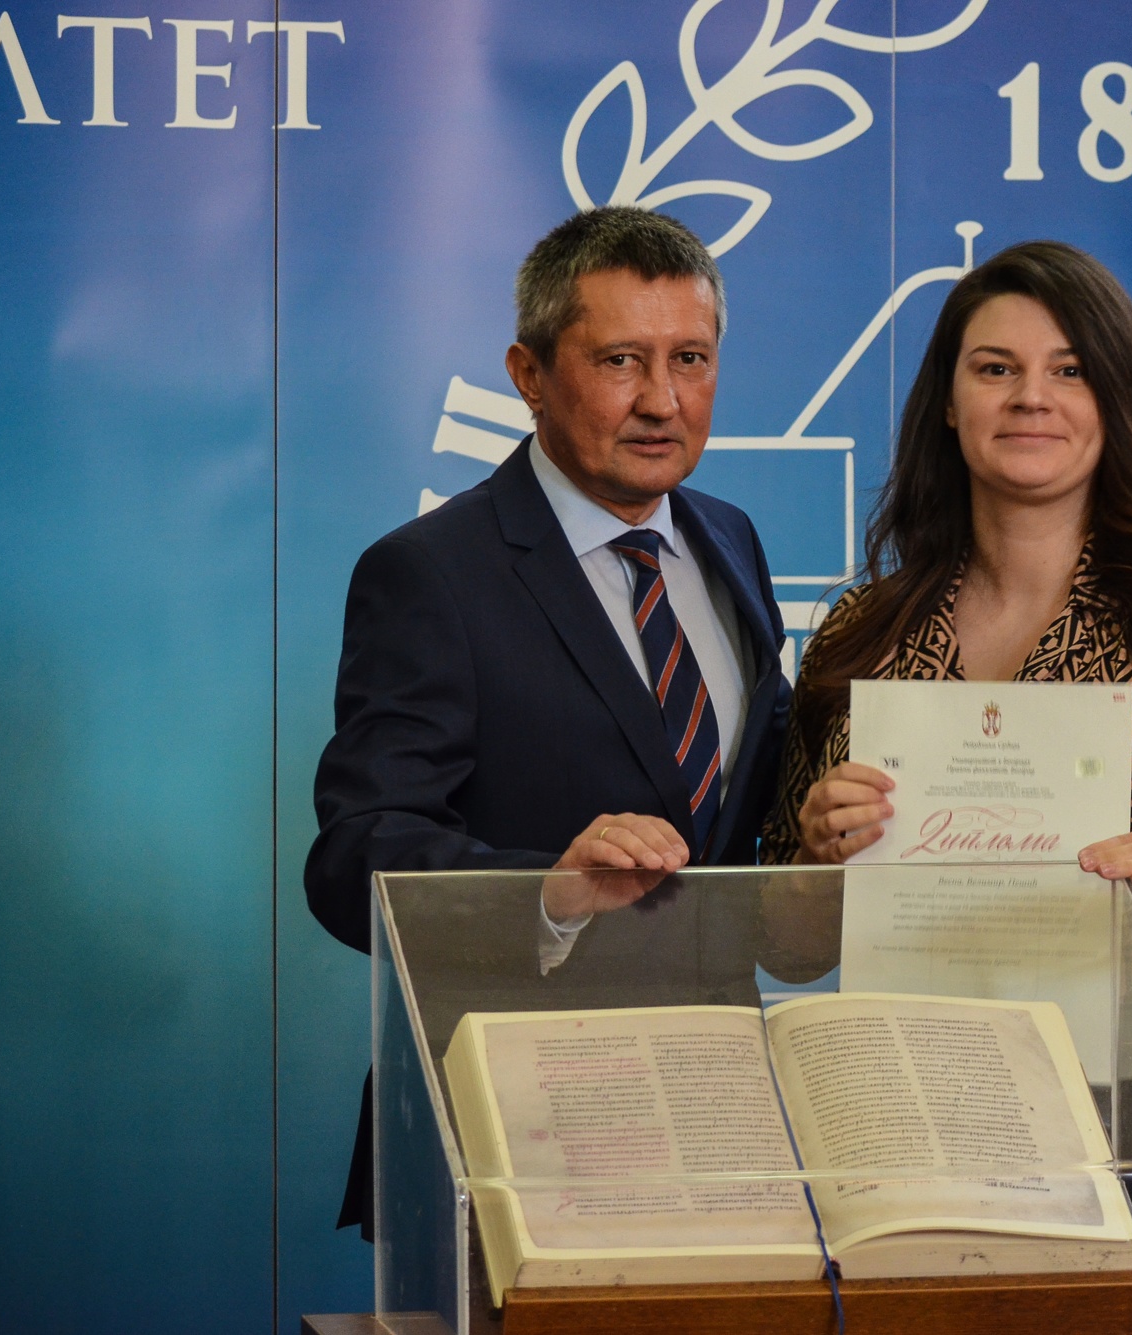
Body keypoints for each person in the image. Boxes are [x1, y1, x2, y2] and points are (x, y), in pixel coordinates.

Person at [760, 240, 1132, 1327]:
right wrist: (816, 854)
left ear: (1117, 400)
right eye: (996, 368)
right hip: (918, 1098)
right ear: (948, 404)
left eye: (1070, 369)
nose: (1032, 396)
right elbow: (788, 945)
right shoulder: (859, 636)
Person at [307, 206, 790, 1236]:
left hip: (722, 1128)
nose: (662, 400)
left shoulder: (733, 541)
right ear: (528, 374)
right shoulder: (430, 573)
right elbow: (355, 858)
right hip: (516, 1142)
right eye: (620, 360)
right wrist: (547, 894)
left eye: (690, 359)